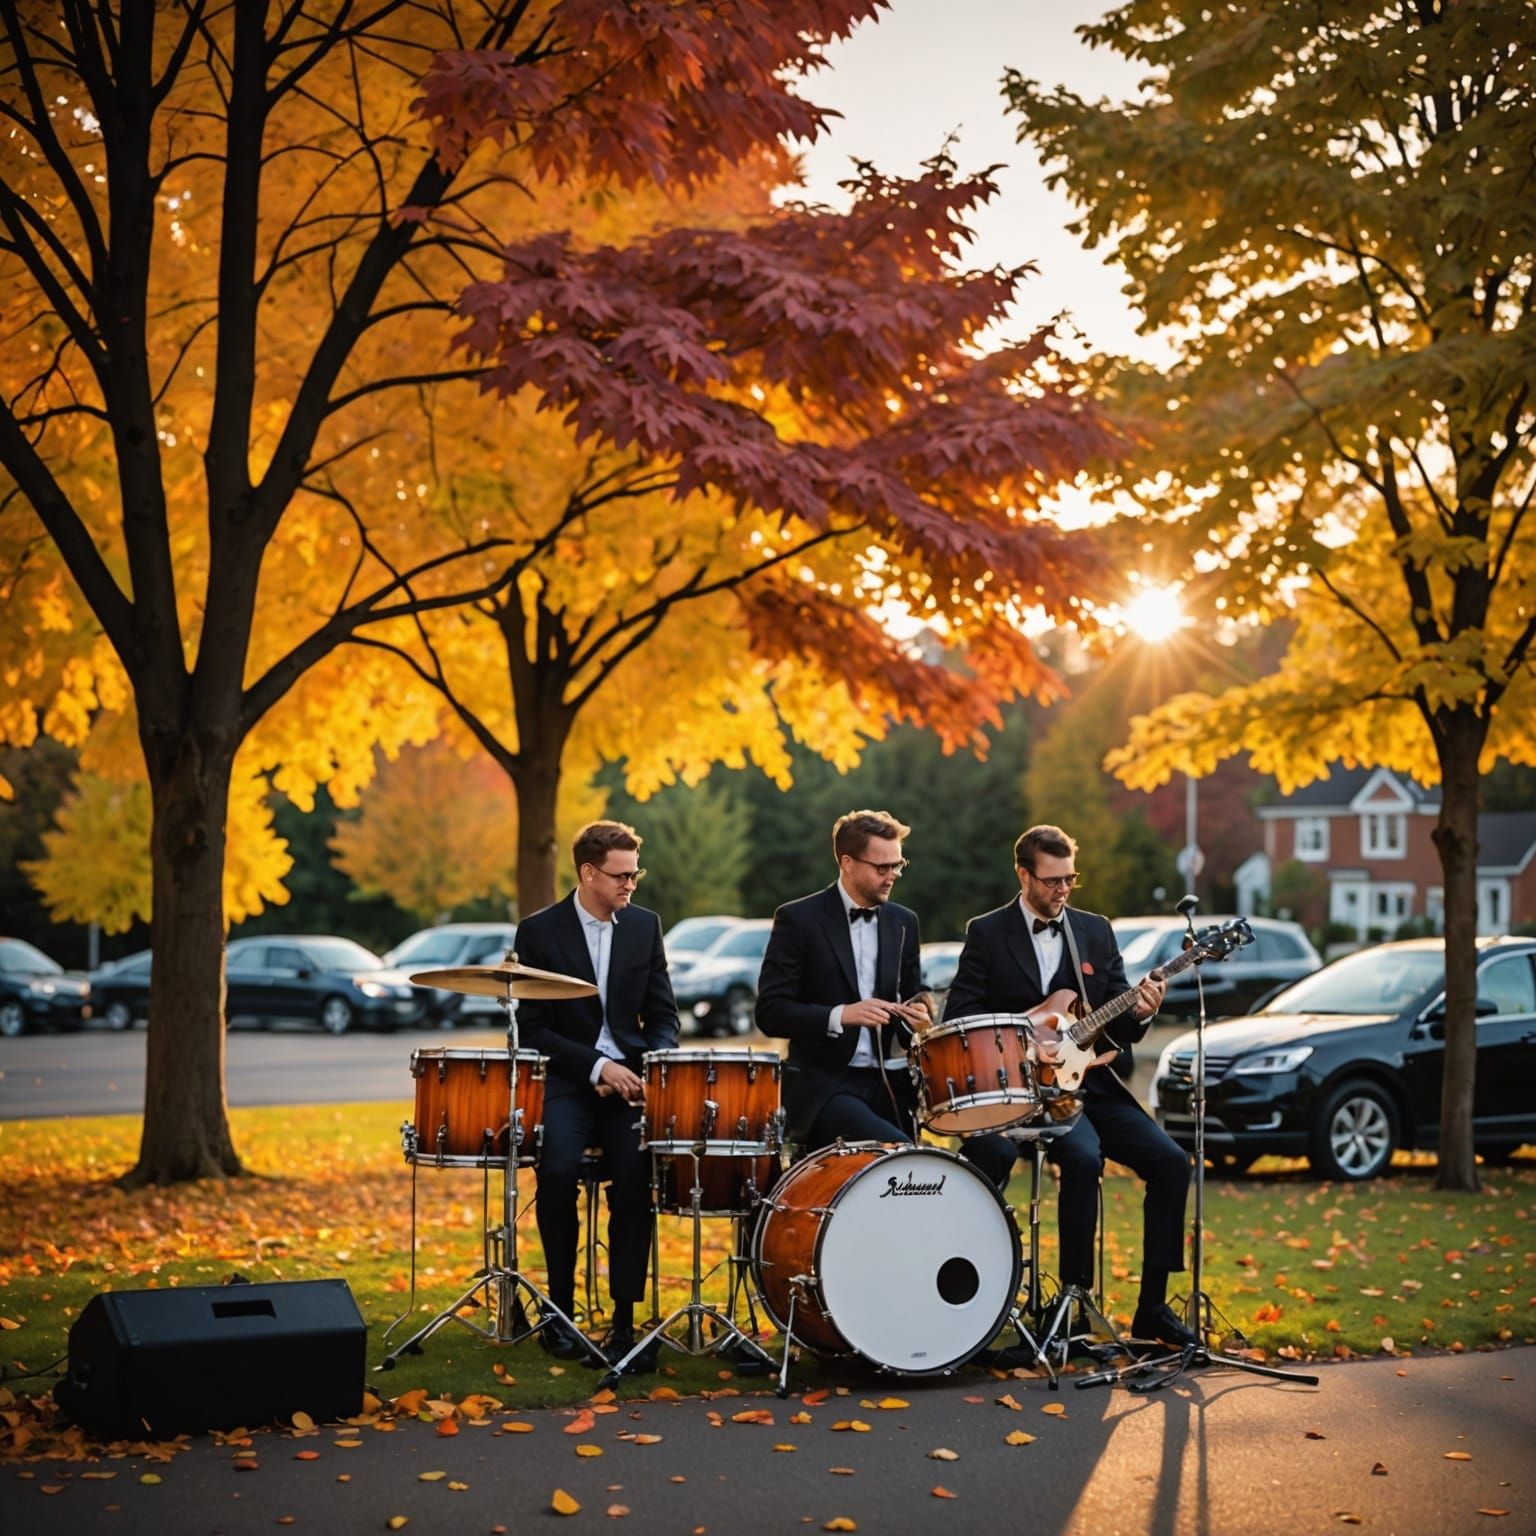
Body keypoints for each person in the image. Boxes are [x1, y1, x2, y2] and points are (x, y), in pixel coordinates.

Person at [942, 823, 1195, 1349]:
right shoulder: (987, 932)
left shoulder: (1095, 931)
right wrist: (1027, 1033)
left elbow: (1118, 1021)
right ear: (1023, 874)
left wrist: (1144, 1012)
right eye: (1052, 880)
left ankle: (1151, 1310)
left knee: (1172, 1162)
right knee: (1083, 1159)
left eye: (1070, 880)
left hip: (1091, 1083)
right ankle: (1072, 1303)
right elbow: (962, 1016)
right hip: (1021, 1089)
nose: (1061, 891)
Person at [755, 809, 1014, 1189]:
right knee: (905, 1156)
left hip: (892, 1080)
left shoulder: (903, 920)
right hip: (824, 1086)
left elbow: (911, 993)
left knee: (998, 1151)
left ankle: (949, 1224)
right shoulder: (798, 919)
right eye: (882, 867)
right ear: (847, 863)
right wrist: (841, 1015)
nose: (892, 875)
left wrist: (919, 1015)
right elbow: (770, 1012)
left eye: (898, 865)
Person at [514, 820, 679, 1367]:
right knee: (557, 1170)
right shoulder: (539, 932)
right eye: (622, 875)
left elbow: (663, 1016)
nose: (632, 884)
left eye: (636, 873)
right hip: (569, 1079)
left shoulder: (645, 927)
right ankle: (558, 1313)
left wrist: (649, 1066)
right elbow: (534, 1030)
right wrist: (597, 1066)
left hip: (630, 1084)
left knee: (636, 1178)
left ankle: (625, 1325)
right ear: (589, 873)